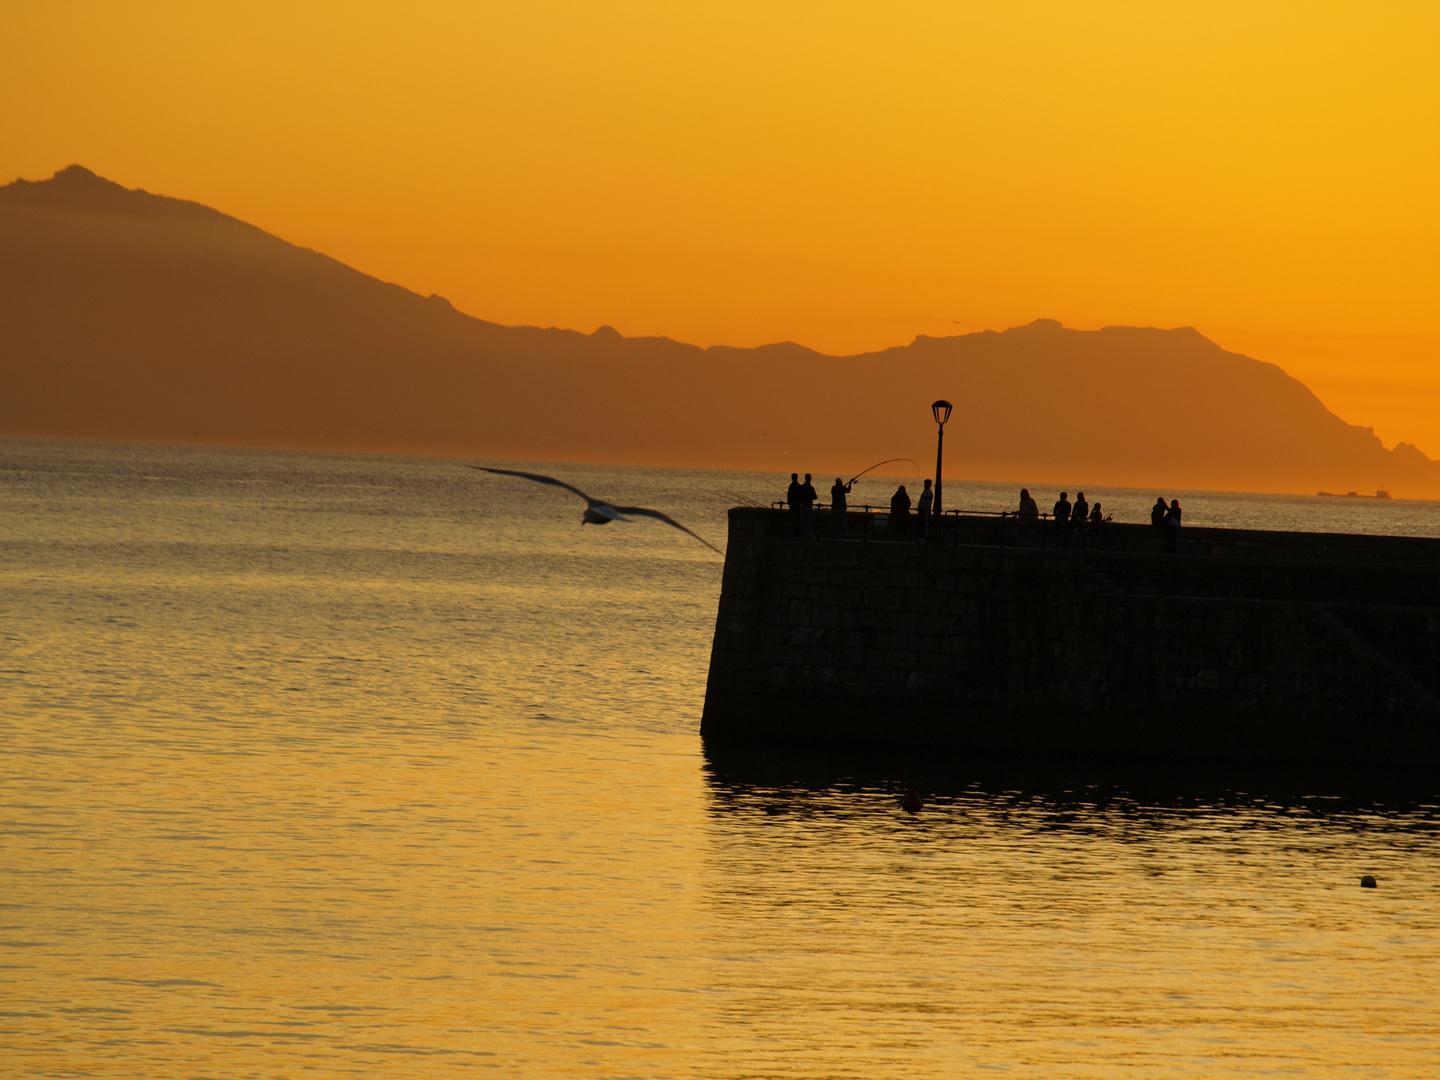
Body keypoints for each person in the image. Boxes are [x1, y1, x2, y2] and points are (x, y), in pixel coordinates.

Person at [797, 473, 818, 538]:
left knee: (803, 520)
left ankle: (803, 534)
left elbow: (799, 496)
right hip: (808, 506)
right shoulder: (811, 488)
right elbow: (815, 497)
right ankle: (809, 534)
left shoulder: (801, 487)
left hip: (802, 506)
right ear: (810, 479)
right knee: (810, 520)